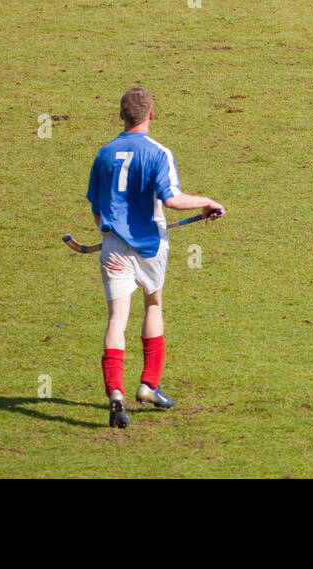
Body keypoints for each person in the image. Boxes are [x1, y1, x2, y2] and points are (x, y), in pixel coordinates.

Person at [86, 87, 224, 428]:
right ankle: (149, 384)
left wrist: (107, 231)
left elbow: (96, 207)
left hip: (113, 245)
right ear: (151, 115)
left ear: (121, 115)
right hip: (151, 245)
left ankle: (115, 392)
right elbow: (172, 200)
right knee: (153, 304)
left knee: (117, 318)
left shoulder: (104, 154)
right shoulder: (159, 152)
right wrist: (207, 201)